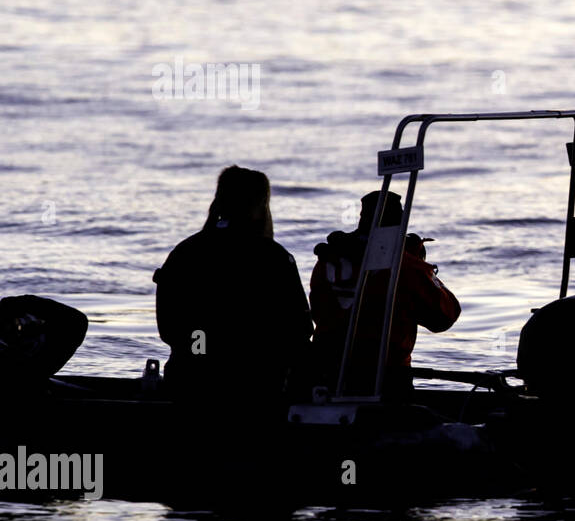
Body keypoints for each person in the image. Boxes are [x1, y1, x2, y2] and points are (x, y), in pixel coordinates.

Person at [154, 166, 312, 402]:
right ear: (259, 204)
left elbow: (169, 327)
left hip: (188, 379)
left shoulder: (185, 251)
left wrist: (203, 353)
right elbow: (299, 329)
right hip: (254, 384)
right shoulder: (272, 257)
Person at [309, 190, 460, 398]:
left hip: (324, 373)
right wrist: (419, 263)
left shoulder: (327, 258)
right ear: (399, 225)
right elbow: (445, 316)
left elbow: (316, 310)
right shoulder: (404, 265)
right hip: (384, 375)